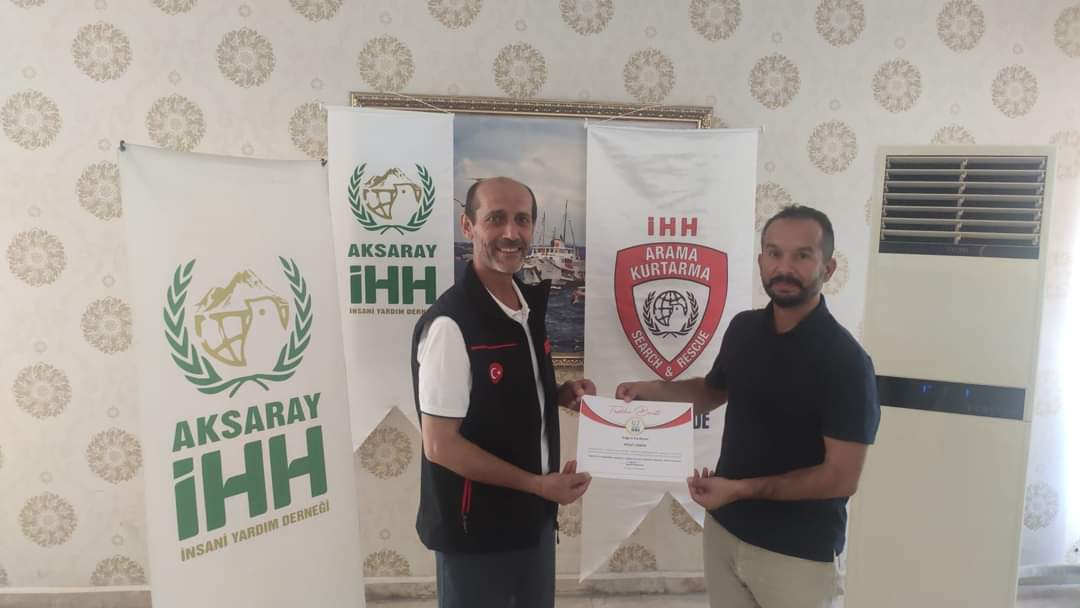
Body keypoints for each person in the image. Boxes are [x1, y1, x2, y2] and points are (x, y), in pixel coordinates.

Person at [616, 205, 880, 608]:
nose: (784, 267)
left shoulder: (847, 362)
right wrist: (649, 391)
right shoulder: (743, 328)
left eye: (802, 255)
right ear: (760, 261)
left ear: (828, 268)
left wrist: (741, 489)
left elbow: (841, 477)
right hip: (725, 532)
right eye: (774, 253)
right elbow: (711, 391)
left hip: (797, 553)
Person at [410, 177, 594, 608]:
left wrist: (558, 394)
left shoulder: (524, 306)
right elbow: (440, 446)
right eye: (495, 218)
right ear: (468, 226)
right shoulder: (450, 325)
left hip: (533, 521)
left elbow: (500, 392)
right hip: (476, 534)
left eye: (521, 220)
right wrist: (538, 485)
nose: (511, 233)